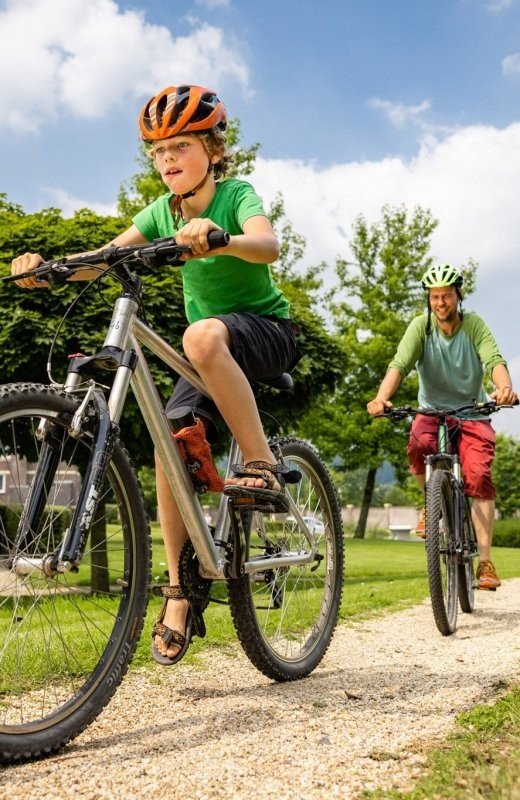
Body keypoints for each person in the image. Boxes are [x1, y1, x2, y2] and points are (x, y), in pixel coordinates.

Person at [11, 83, 301, 663]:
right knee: (169, 446)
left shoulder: (235, 193)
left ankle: (263, 464)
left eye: (182, 147)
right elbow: (105, 256)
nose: (168, 160)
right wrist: (48, 269)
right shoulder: (160, 212)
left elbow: (267, 244)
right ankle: (179, 589)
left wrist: (219, 240)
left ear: (213, 151)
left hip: (264, 333)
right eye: (158, 152)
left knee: (199, 334)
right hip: (208, 353)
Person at [366, 263, 517, 591]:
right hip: (431, 410)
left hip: (471, 411)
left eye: (446, 296)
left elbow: (494, 360)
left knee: (478, 476)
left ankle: (486, 562)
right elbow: (400, 364)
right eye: (434, 297)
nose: (440, 303)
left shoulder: (474, 325)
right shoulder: (421, 327)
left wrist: (504, 387)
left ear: (457, 296)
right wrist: (381, 398)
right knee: (419, 443)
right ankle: (429, 503)